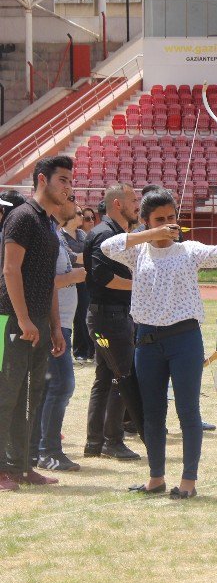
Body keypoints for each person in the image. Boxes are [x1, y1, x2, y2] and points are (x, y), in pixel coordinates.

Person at [103, 188, 217, 498]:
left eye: (172, 218)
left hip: (184, 341)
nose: (168, 225)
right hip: (147, 342)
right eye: (159, 220)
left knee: (188, 412)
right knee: (152, 413)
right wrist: (149, 234)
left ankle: (188, 481)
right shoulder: (138, 251)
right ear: (145, 221)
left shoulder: (188, 249)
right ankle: (156, 478)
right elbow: (107, 246)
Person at [0, 156, 73, 491]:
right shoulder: (22, 217)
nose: (69, 187)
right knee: (7, 396)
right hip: (13, 321)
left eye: (71, 181)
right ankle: (3, 468)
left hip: (40, 324)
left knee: (33, 396)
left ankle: (24, 465)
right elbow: (10, 270)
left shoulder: (48, 224)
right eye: (64, 180)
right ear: (43, 180)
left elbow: (49, 281)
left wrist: (54, 327)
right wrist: (25, 319)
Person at [84, 184, 143, 462]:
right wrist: (139, 285)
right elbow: (102, 277)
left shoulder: (113, 234)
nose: (137, 205)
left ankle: (96, 442)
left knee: (105, 379)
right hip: (110, 317)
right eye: (133, 200)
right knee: (122, 378)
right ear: (117, 204)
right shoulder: (106, 234)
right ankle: (112, 441)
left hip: (108, 316)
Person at [36, 200, 88, 472]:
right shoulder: (48, 235)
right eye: (71, 202)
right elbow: (43, 282)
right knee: (61, 385)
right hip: (54, 323)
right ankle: (48, 450)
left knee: (50, 387)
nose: (77, 208)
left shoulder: (54, 235)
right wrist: (74, 277)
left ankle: (41, 449)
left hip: (60, 322)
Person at [70, 206, 96, 363]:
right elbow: (70, 257)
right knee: (78, 317)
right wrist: (85, 257)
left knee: (86, 315)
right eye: (86, 218)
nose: (90, 221)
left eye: (92, 218)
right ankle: (80, 349)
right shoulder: (63, 235)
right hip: (71, 280)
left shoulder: (82, 235)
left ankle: (89, 349)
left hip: (86, 279)